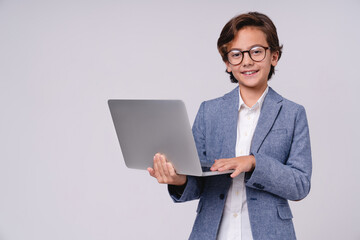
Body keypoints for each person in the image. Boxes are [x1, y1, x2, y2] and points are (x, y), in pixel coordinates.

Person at [147, 12, 312, 240]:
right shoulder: (209, 111)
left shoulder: (293, 114)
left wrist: (254, 163)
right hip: (212, 232)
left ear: (273, 56)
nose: (247, 61)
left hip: (270, 233)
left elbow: (300, 185)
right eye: (236, 54)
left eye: (256, 51)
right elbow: (198, 179)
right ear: (227, 63)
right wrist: (179, 180)